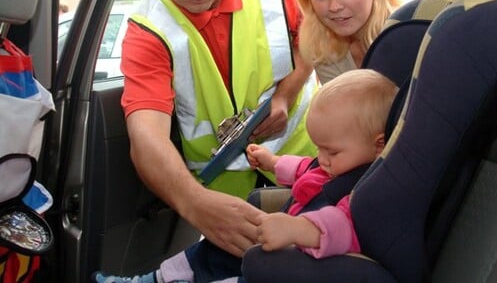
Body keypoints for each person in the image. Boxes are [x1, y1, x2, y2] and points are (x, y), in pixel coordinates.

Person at [119, 0, 318, 263]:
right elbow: (146, 137)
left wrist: (285, 96)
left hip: (312, 165)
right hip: (228, 199)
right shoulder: (147, 30)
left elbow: (311, 42)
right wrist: (195, 203)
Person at [94, 69, 399, 282]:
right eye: (319, 148)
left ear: (378, 145)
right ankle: (157, 278)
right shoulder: (336, 164)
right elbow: (303, 168)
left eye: (331, 152)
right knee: (219, 241)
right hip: (284, 237)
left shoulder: (364, 187)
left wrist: (296, 229)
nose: (322, 158)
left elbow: (340, 228)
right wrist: (272, 161)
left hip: (304, 258)